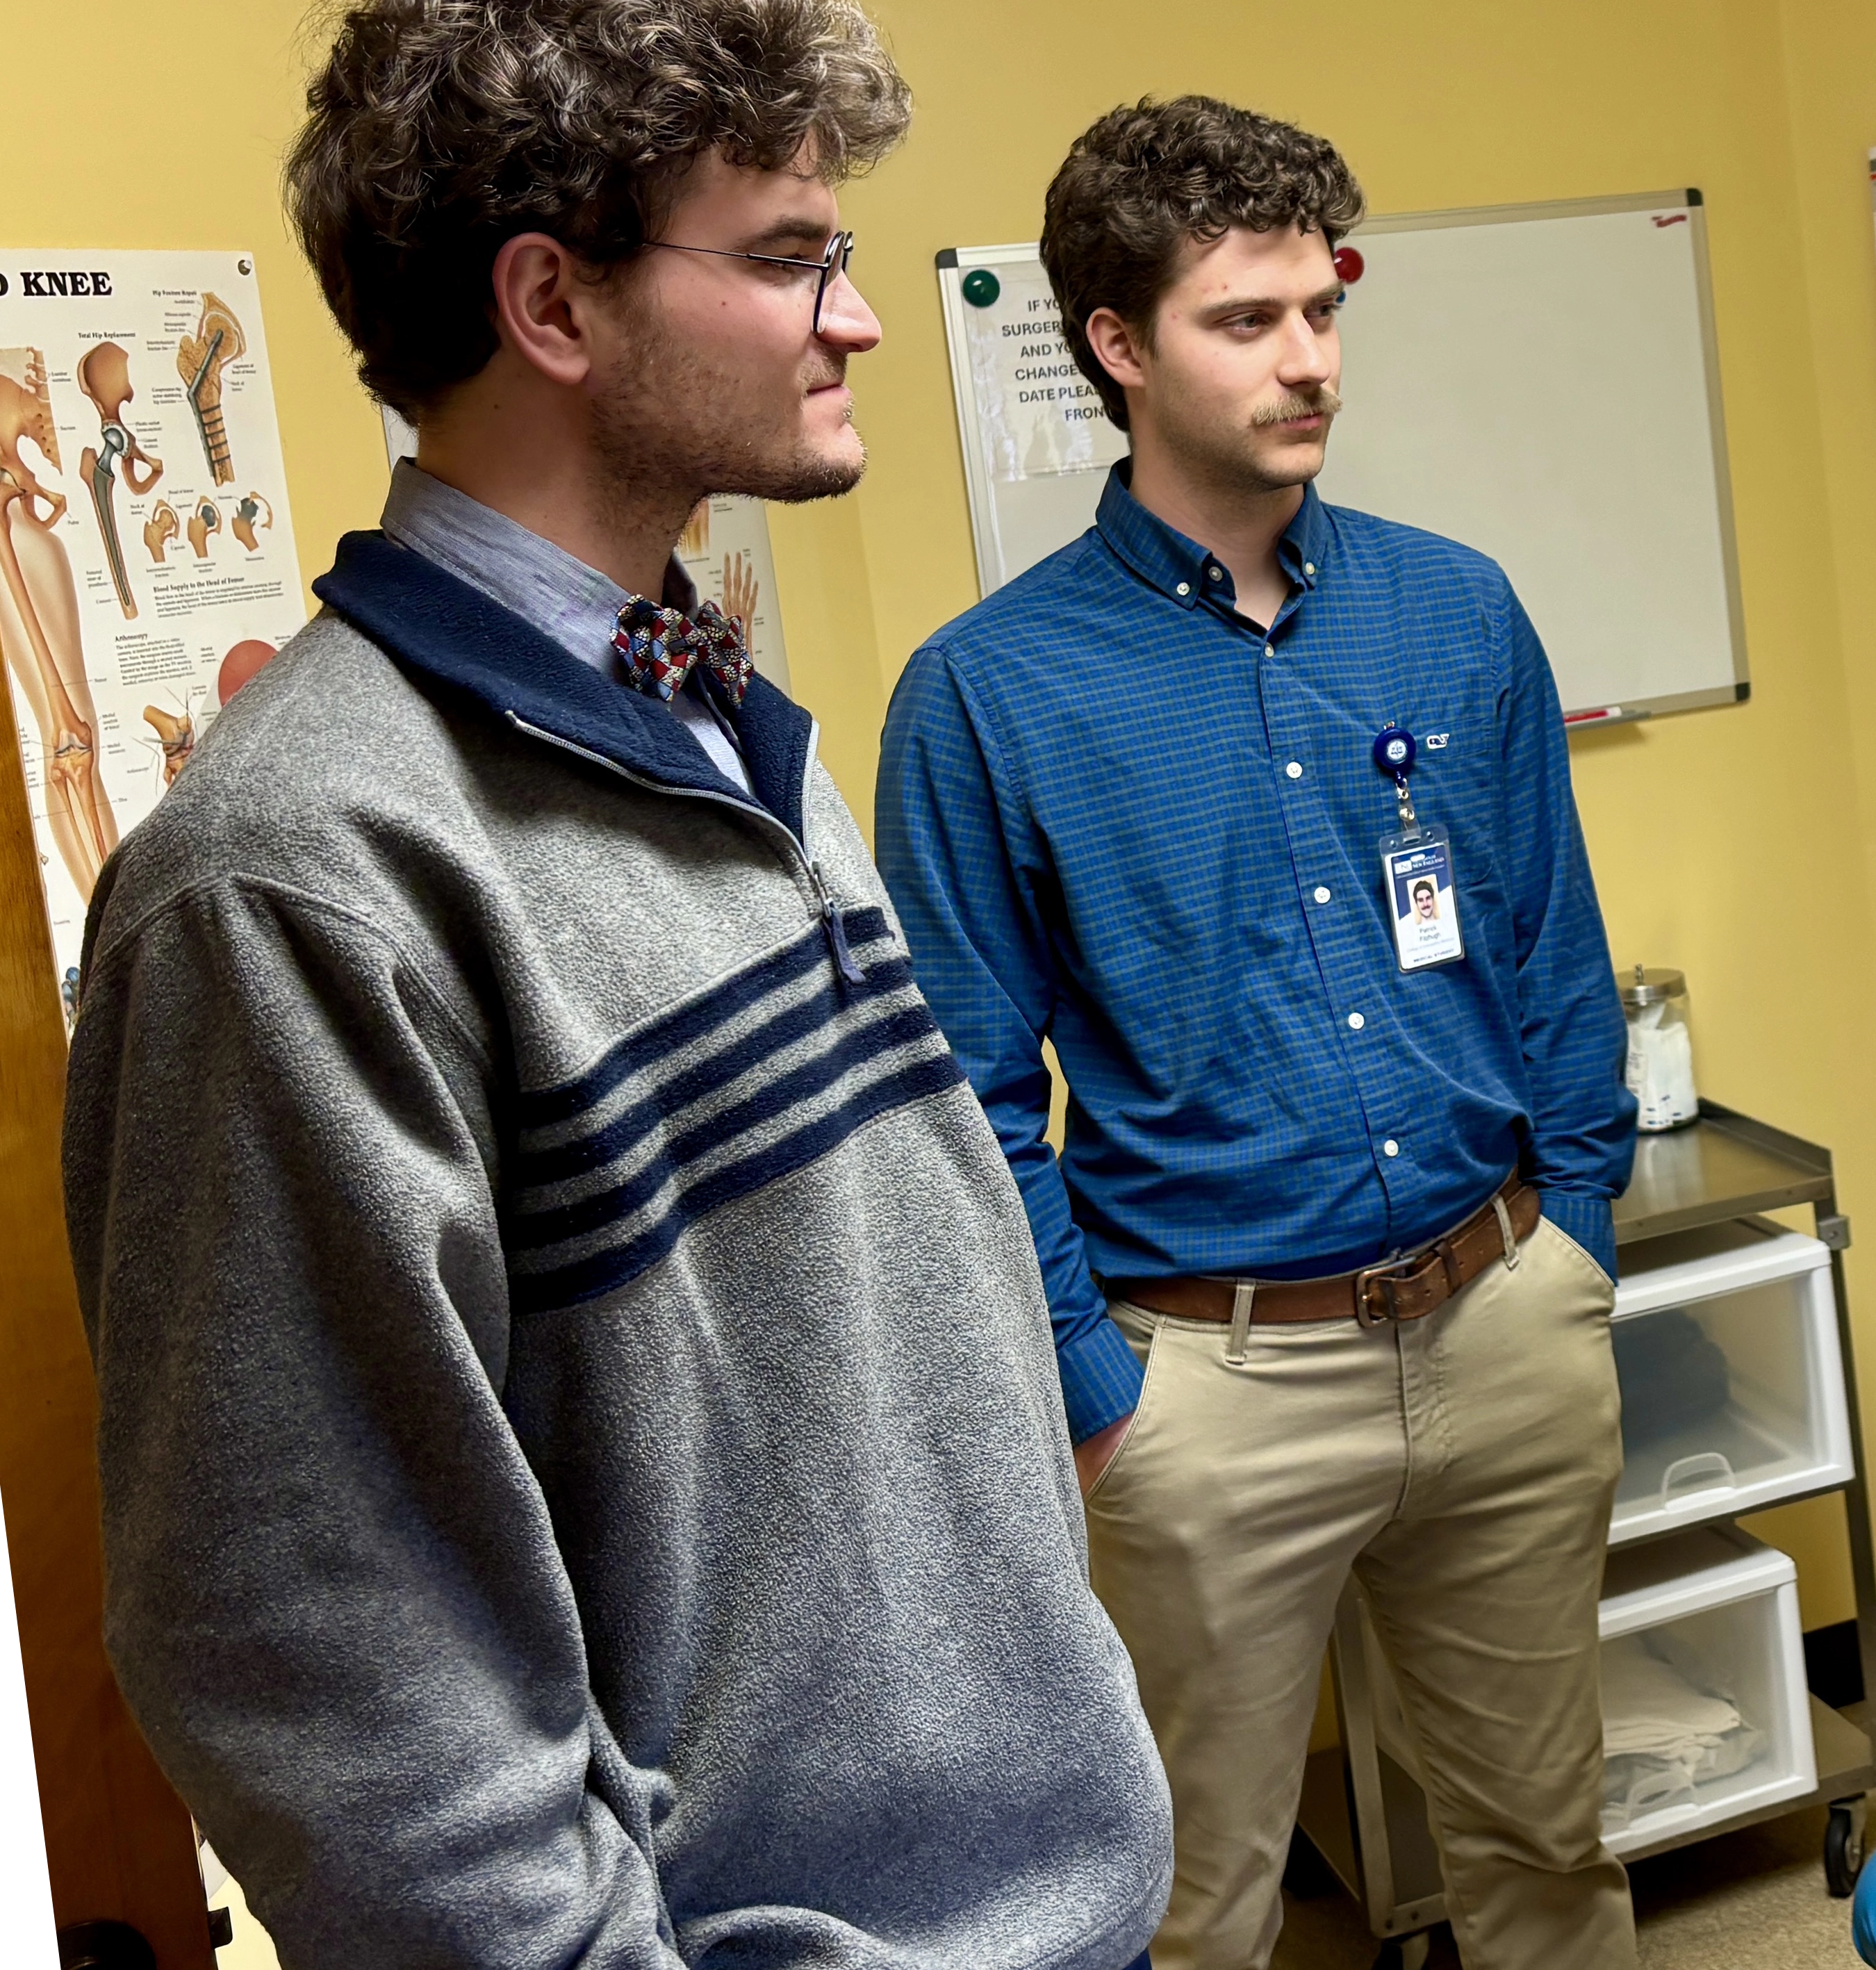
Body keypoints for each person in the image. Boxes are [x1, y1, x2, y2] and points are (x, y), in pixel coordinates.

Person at [62, 3, 1170, 1963]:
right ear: (552, 305)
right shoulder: (293, 884)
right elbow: (337, 1684)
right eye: (788, 256)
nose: (857, 318)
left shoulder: (711, 712)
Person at [875, 97, 1640, 1970]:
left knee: (1548, 1850)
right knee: (1193, 1910)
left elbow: (1548, 945)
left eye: (1323, 310)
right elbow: (967, 1099)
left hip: (1504, 1316)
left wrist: (1580, 1236)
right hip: (1211, 1390)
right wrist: (1097, 1391)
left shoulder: (1456, 609)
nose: (1310, 362)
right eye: (1247, 321)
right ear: (1118, 346)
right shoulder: (985, 695)